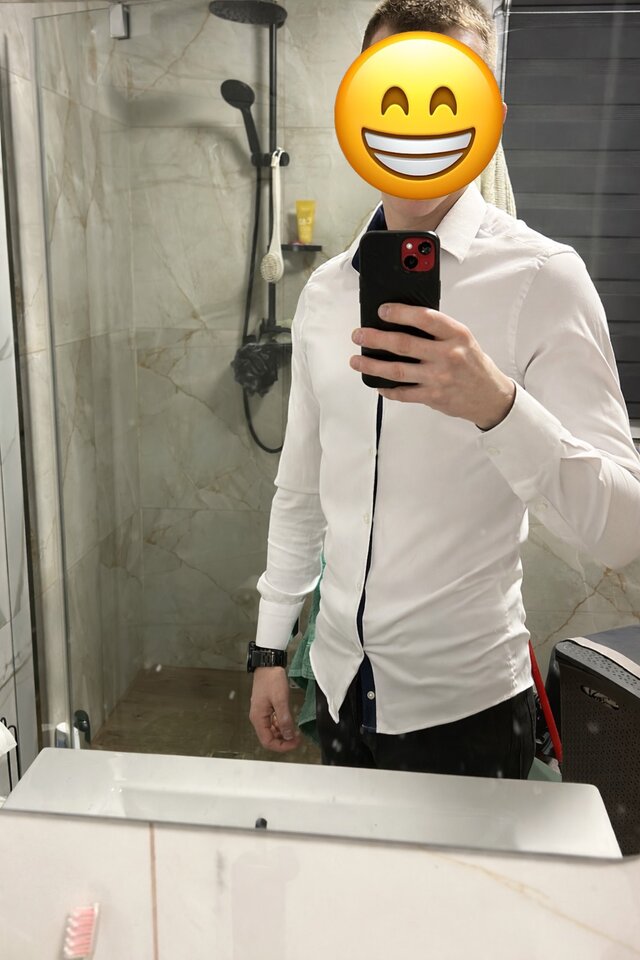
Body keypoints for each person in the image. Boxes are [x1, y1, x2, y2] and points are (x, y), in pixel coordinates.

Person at [247, 0, 640, 778]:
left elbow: (623, 533)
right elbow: (301, 490)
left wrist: (499, 407)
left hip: (467, 708)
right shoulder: (326, 293)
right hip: (339, 686)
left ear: (491, 115)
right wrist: (268, 646)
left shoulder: (543, 279)